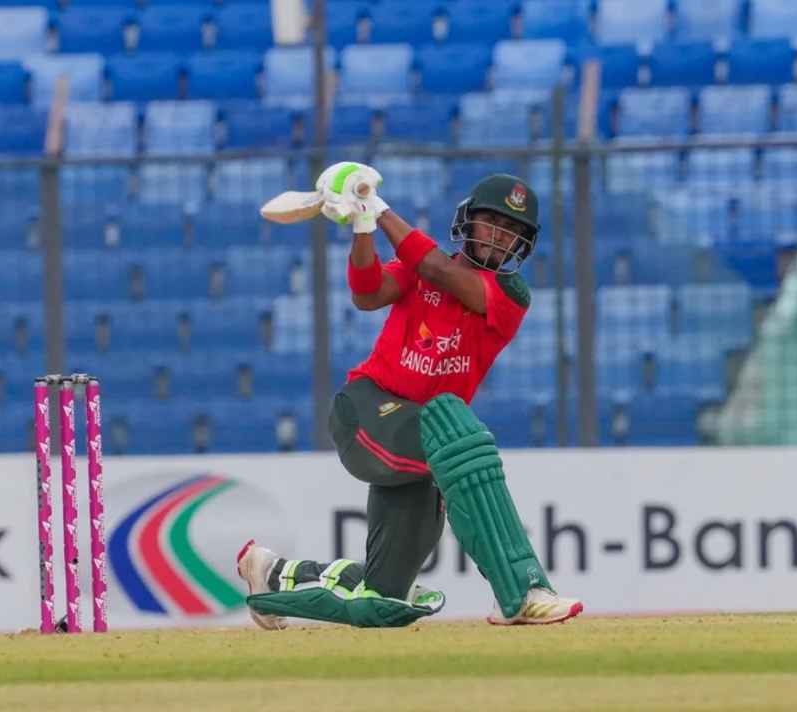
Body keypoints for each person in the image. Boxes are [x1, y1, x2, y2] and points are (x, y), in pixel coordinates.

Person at [237, 162, 584, 629]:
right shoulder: (417, 271)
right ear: (469, 221)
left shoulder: (510, 294)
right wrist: (363, 225)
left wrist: (377, 208)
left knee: (384, 600)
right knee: (454, 422)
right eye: (494, 222)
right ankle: (523, 592)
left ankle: (273, 576)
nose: (502, 236)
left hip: (422, 442)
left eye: (513, 230)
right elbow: (366, 292)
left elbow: (438, 269)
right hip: (365, 412)